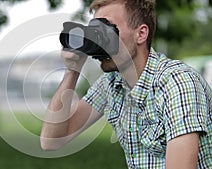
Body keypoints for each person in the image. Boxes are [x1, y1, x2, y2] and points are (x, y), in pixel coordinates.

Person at [40, 0, 212, 168]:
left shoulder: (178, 82)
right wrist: (72, 71)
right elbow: (51, 141)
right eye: (94, 31)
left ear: (141, 34)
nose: (100, 40)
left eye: (106, 29)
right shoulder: (111, 83)